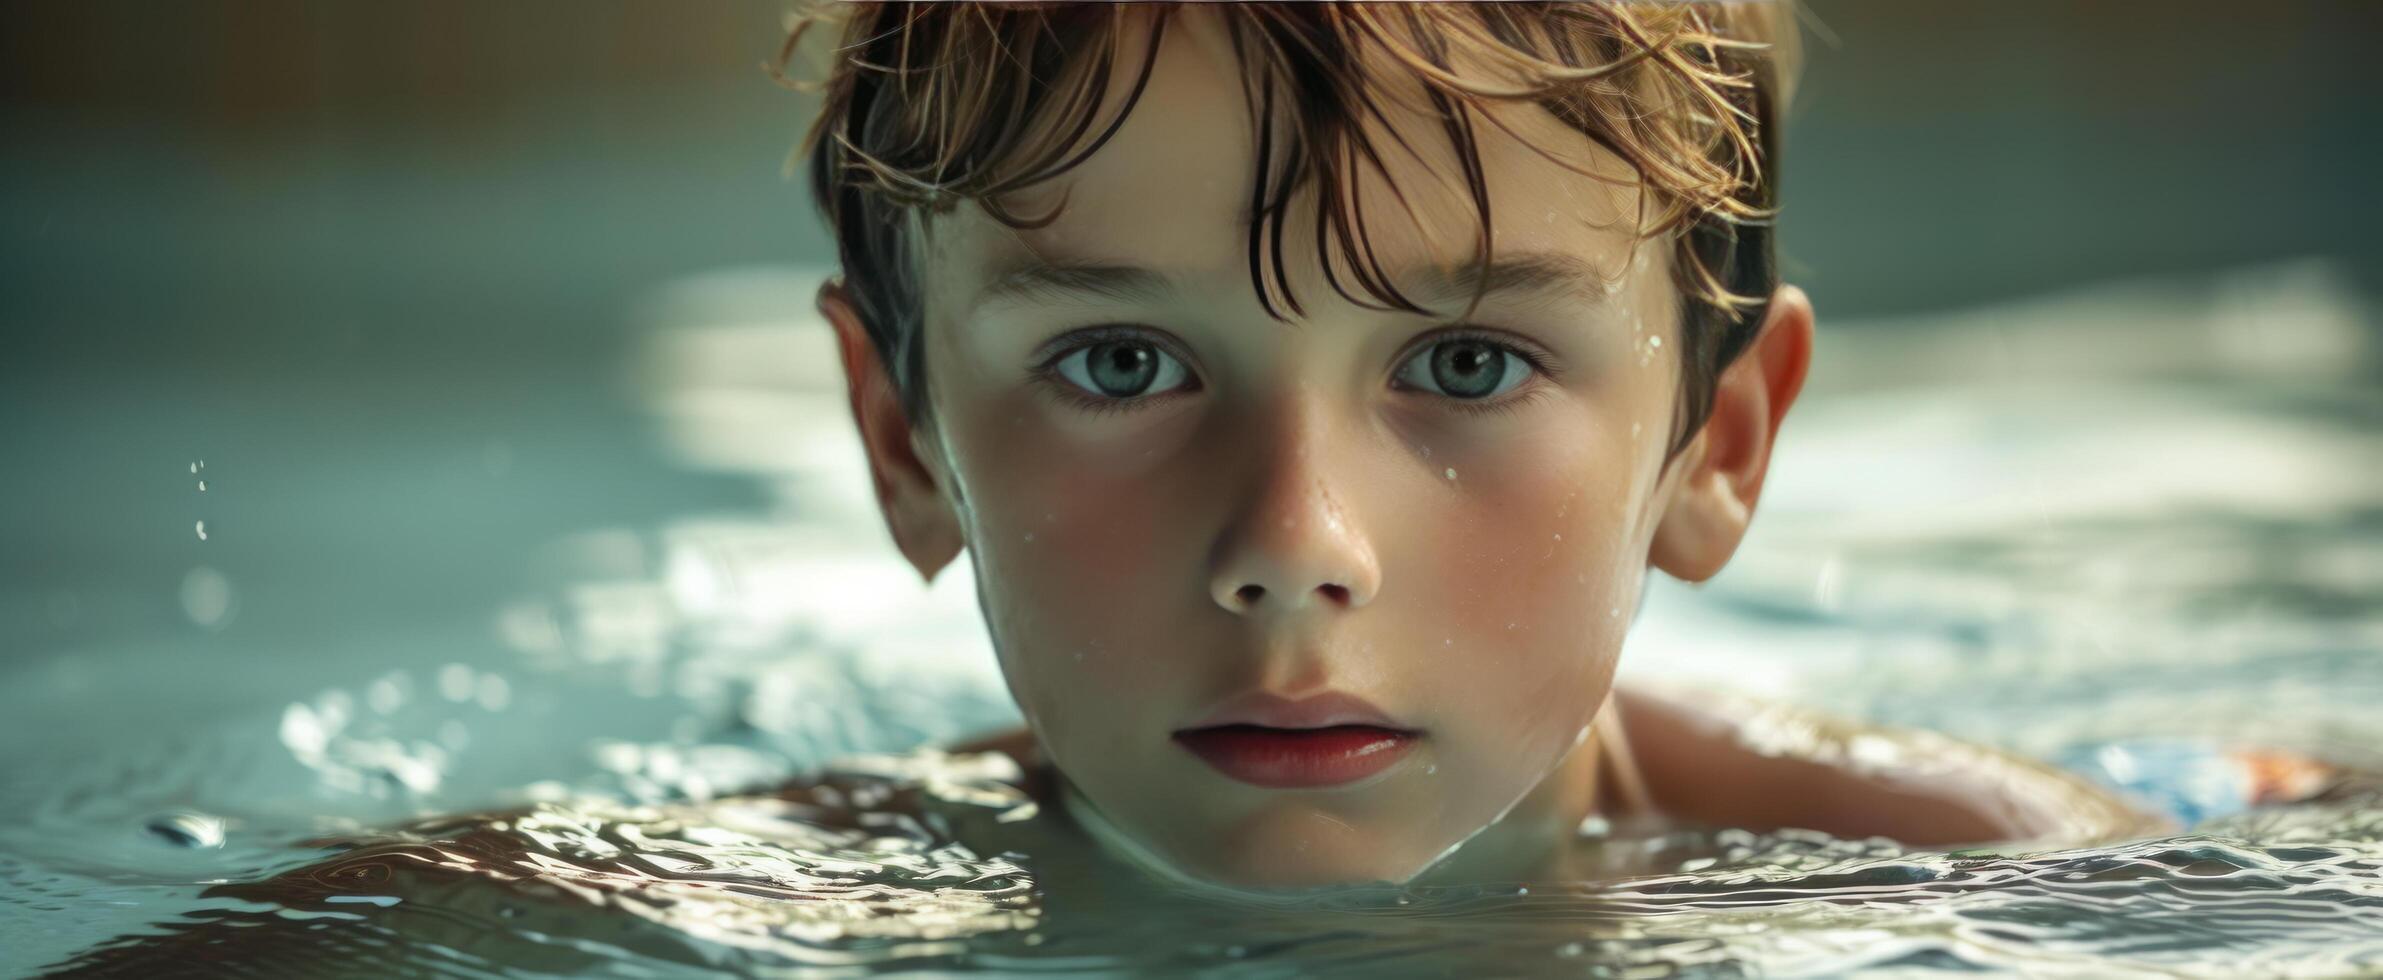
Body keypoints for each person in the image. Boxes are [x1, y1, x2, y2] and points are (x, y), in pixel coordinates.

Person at [789, 1, 2160, 893]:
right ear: (904, 439)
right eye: (1121, 364)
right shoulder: (756, 899)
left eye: (1466, 363)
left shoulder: (2000, 886)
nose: (1295, 544)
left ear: (1721, 440)